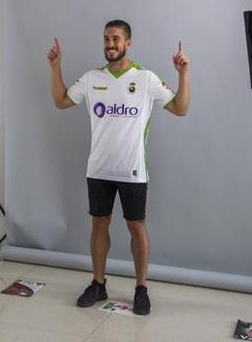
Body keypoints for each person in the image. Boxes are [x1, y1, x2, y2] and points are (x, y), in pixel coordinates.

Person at [47, 19, 190, 315]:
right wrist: (55, 68)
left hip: (133, 170)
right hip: (98, 169)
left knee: (136, 227)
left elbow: (181, 108)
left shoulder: (147, 78)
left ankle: (141, 289)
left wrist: (183, 73)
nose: (109, 45)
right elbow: (61, 101)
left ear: (128, 43)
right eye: (106, 39)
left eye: (115, 39)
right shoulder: (91, 78)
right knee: (99, 224)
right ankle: (98, 284)